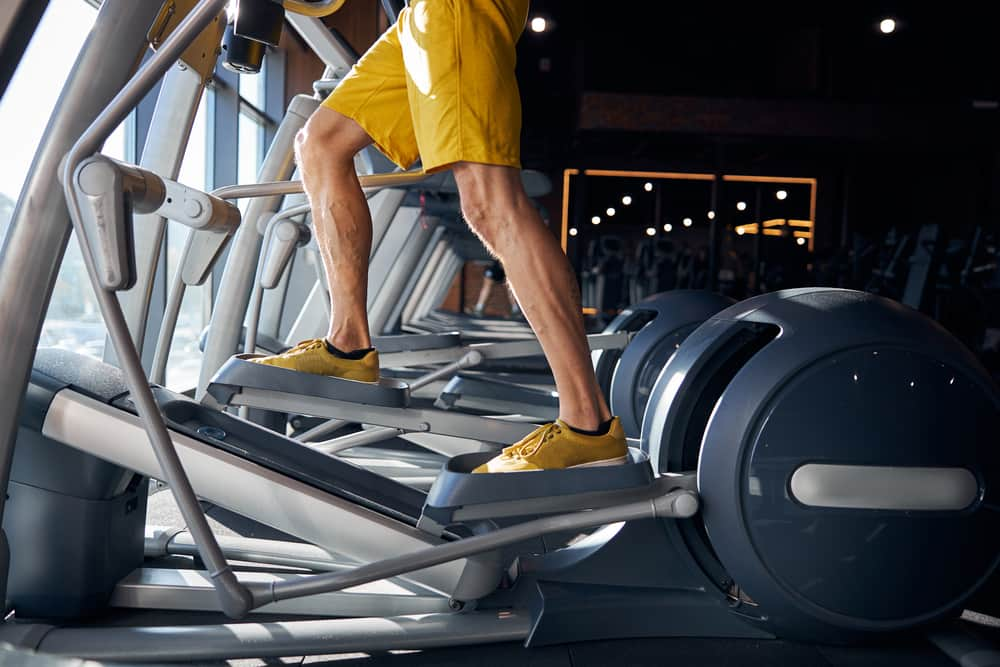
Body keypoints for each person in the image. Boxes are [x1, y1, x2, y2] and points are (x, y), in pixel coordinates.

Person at [250, 0, 626, 473]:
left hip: (457, 7)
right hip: (419, 16)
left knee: (491, 203)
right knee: (320, 143)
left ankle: (587, 423)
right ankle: (348, 346)